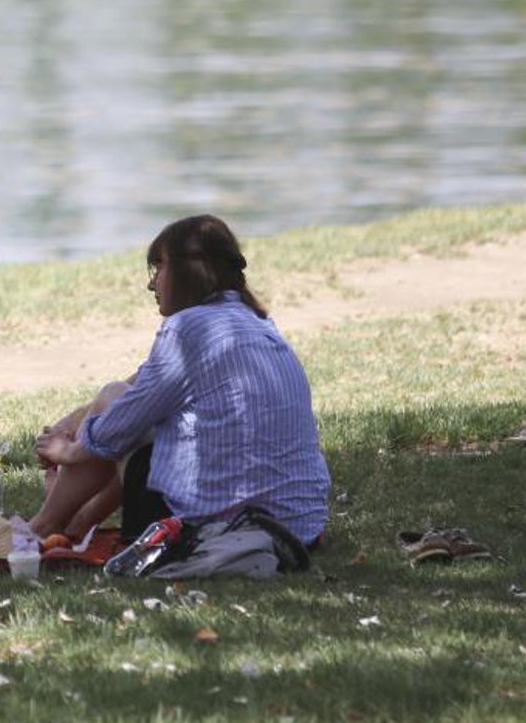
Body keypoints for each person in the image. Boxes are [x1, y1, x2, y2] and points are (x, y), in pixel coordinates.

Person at [31, 215, 329, 548]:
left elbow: (123, 418)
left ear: (188, 270)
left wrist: (70, 450)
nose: (151, 284)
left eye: (159, 267)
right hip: (297, 529)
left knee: (117, 406)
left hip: (216, 531)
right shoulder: (257, 324)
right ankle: (78, 523)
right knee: (134, 417)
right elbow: (143, 385)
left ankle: (43, 526)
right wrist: (68, 424)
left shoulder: (186, 328)